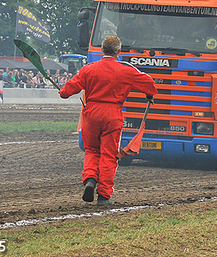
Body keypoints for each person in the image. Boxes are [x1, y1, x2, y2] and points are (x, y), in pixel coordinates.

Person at [59, 36, 158, 206]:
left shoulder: (88, 69)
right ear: (118, 51)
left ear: (102, 50)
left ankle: (90, 179)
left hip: (91, 113)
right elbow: (150, 84)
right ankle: (104, 195)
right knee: (108, 155)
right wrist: (149, 94)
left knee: (91, 150)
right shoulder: (125, 70)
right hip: (112, 114)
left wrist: (62, 91)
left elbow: (66, 91)